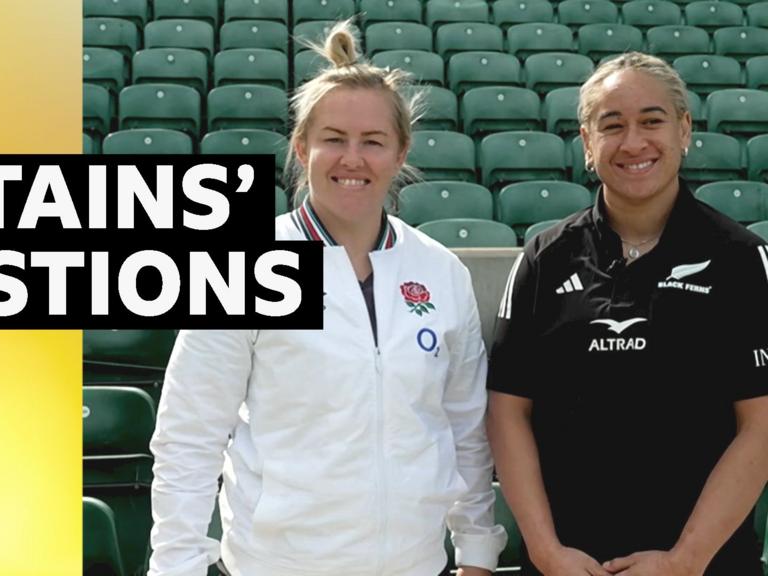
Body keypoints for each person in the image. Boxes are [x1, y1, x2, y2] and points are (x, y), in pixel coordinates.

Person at [147, 19, 506, 576]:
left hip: (416, 566)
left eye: (373, 142)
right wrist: (176, 564)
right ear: (301, 147)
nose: (352, 159)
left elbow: (464, 429)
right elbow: (188, 435)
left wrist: (477, 548)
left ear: (401, 151)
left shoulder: (441, 272)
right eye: (333, 140)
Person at [486, 51, 768, 576]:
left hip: (705, 565)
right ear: (587, 143)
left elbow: (761, 424)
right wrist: (547, 552)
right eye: (612, 125)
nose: (634, 143)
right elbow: (507, 411)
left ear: (685, 129)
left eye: (652, 121)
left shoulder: (739, 258)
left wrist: (686, 559)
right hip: (567, 565)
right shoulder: (544, 258)